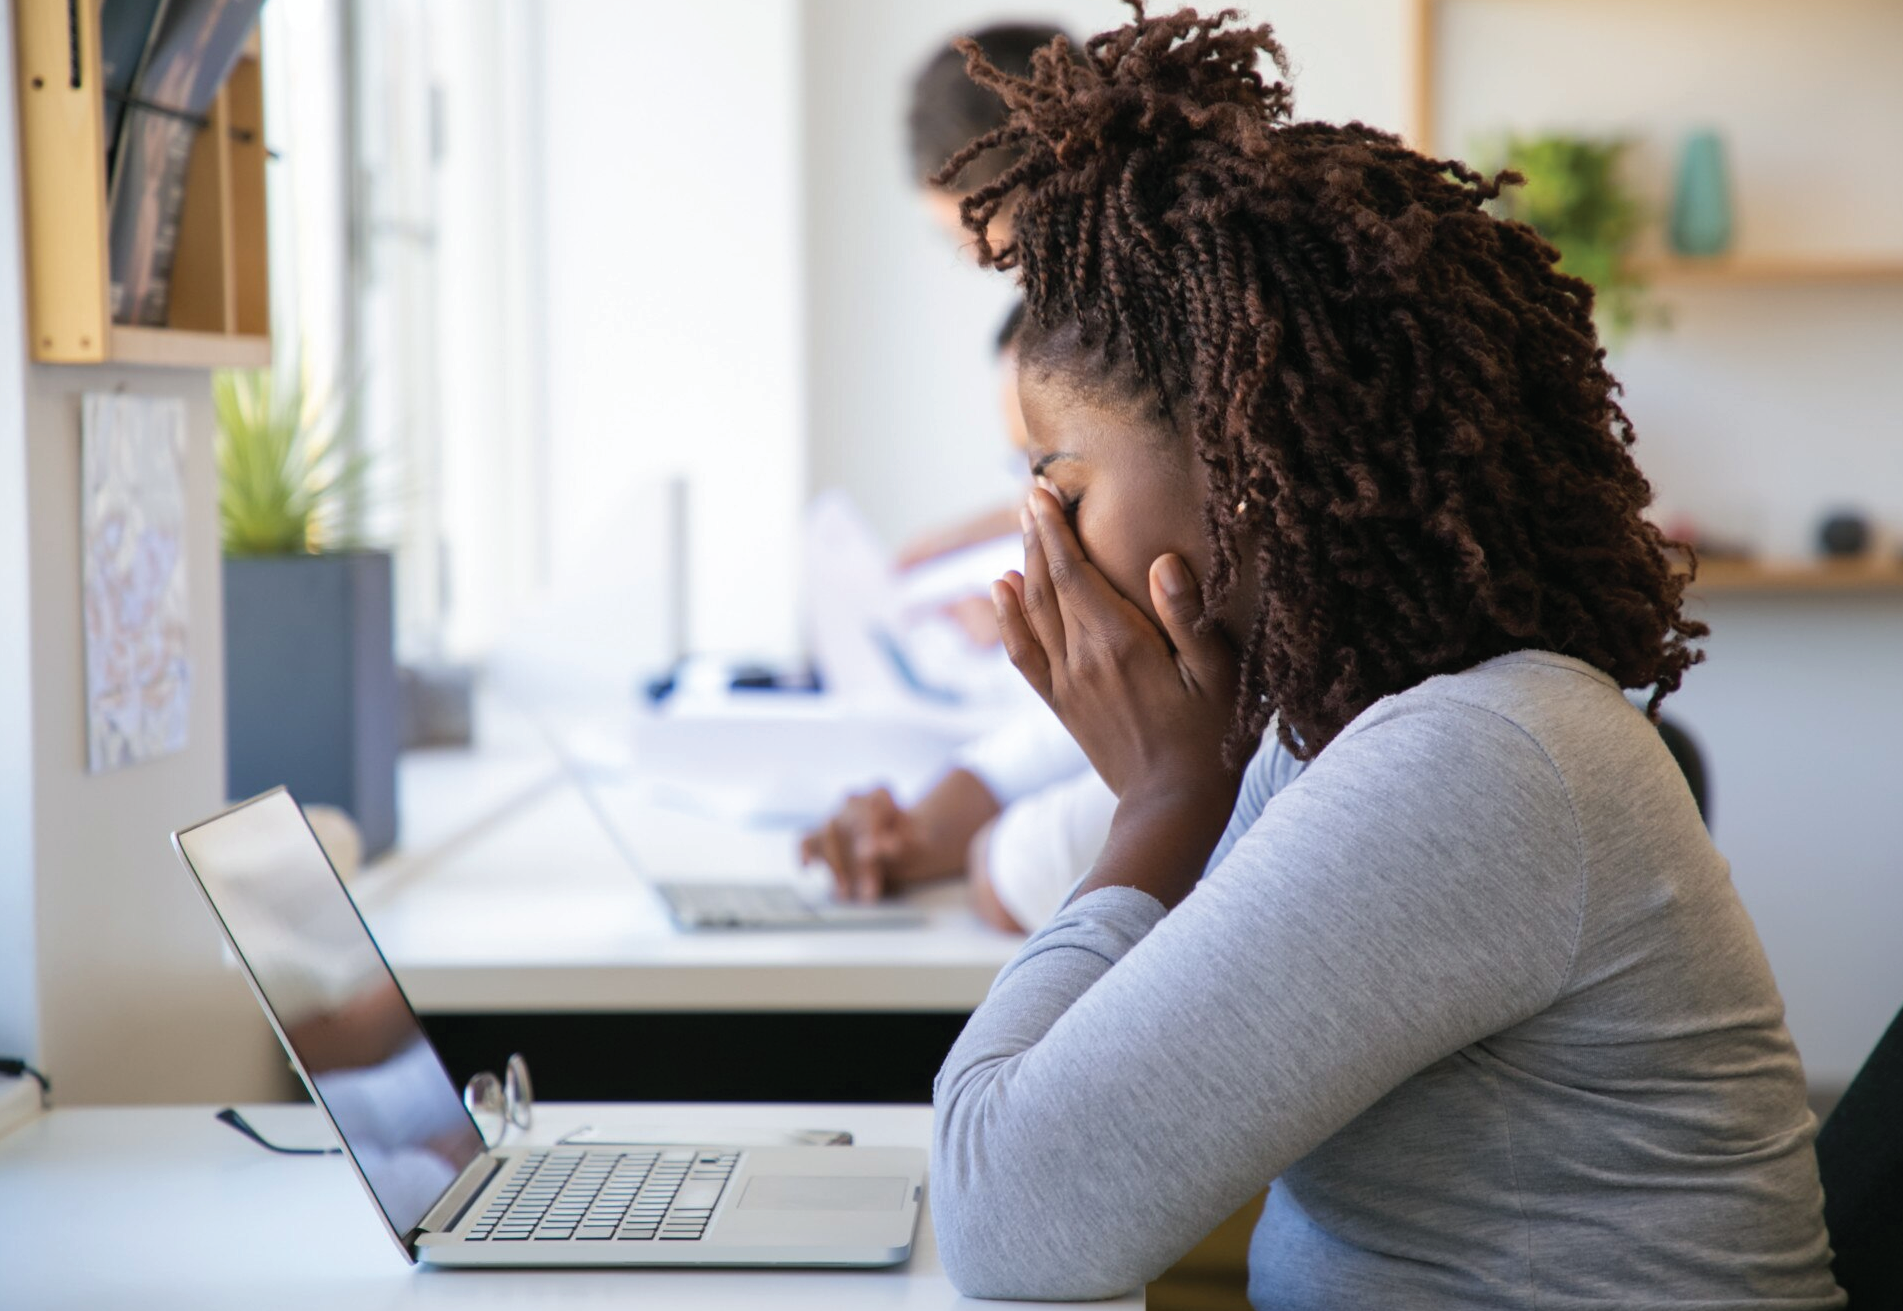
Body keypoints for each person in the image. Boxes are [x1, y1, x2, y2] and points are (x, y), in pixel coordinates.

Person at [925, 8, 1843, 1307]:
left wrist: (1159, 801)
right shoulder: (1339, 726)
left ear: (1245, 468)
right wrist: (1187, 775)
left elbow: (1010, 1216)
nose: (1035, 536)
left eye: (1056, 481)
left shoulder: (1479, 760)